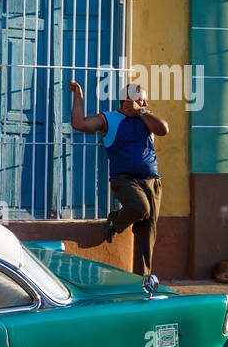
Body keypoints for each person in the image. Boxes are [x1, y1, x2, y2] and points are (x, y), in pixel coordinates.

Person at [69, 80, 170, 276]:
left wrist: (142, 112)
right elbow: (79, 123)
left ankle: (143, 282)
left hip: (152, 181)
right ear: (129, 100)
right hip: (124, 179)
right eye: (142, 101)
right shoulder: (108, 118)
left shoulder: (146, 118)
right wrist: (78, 96)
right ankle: (115, 221)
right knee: (140, 208)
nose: (146, 105)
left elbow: (163, 129)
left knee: (147, 236)